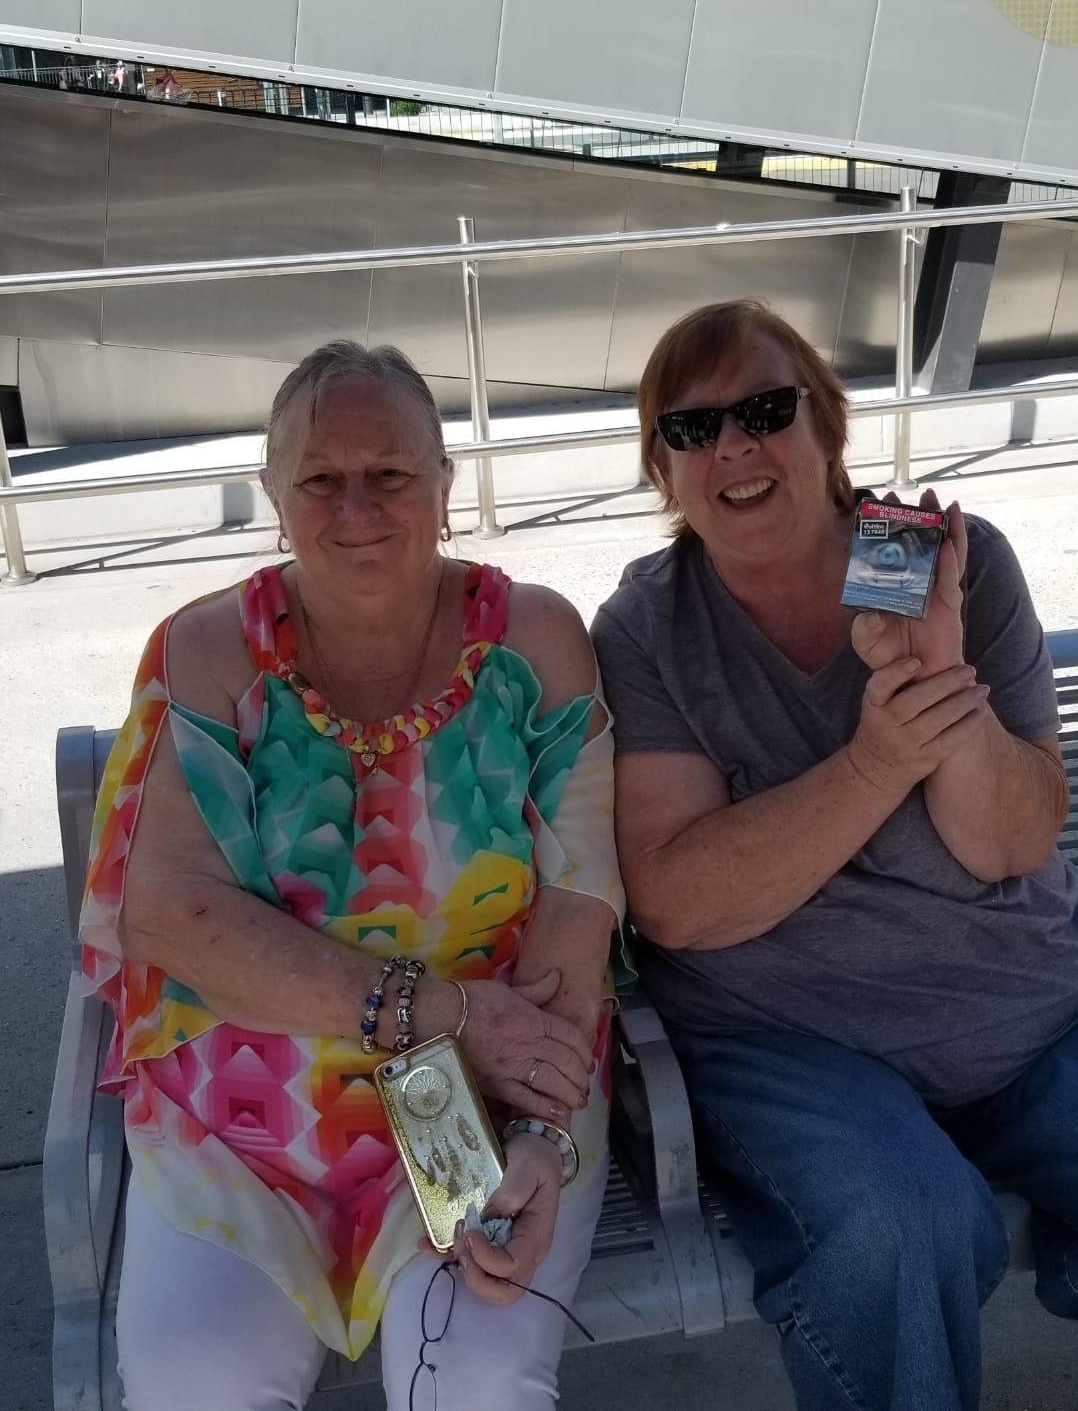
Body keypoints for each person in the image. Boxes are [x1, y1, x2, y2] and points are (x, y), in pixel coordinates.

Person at [79, 340, 624, 1411]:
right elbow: (173, 914)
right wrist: (438, 1008)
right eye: (321, 477)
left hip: (492, 1090)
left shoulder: (536, 640)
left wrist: (542, 1137)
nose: (357, 505)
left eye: (391, 473)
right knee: (194, 1380)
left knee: (479, 1381)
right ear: (277, 496)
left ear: (445, 484)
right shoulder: (206, 654)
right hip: (246, 1114)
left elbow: (577, 907)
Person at [591, 299, 1078, 1411]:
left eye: (765, 410)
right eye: (689, 429)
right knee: (898, 1217)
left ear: (826, 427)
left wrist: (941, 684)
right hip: (789, 1045)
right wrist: (872, 761)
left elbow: (1009, 839)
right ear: (661, 470)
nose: (733, 449)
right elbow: (674, 904)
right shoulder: (648, 628)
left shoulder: (936, 559)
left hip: (1020, 1012)